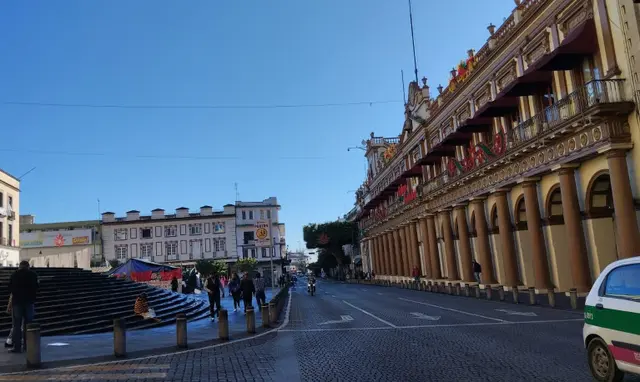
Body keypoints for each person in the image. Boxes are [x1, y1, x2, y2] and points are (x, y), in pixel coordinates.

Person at [8, 260, 39, 353]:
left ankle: (17, 347)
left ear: (20, 266)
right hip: (29, 302)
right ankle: (28, 345)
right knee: (28, 324)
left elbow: (10, 287)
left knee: (17, 325)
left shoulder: (14, 275)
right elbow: (36, 287)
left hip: (17, 302)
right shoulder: (33, 275)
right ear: (28, 266)